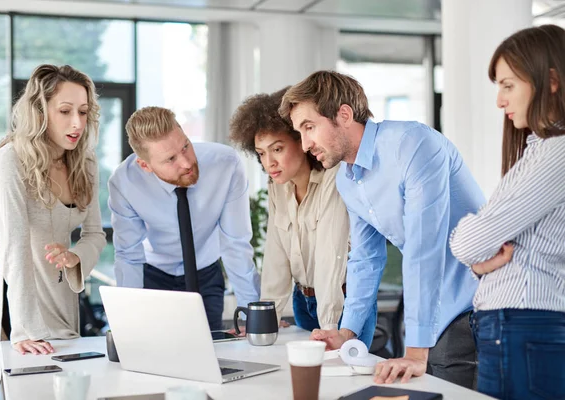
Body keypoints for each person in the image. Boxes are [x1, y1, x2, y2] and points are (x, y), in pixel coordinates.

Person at [279, 70, 484, 388]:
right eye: (299, 132)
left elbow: (423, 248)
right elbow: (365, 259)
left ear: (343, 115)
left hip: (474, 302)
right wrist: (346, 333)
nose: (305, 144)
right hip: (431, 310)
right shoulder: (347, 179)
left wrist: (415, 352)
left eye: (309, 127)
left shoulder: (412, 144)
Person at [450, 24, 565, 400]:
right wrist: (479, 257)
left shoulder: (555, 154)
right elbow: (480, 247)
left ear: (550, 81)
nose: (500, 101)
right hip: (520, 325)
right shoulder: (539, 151)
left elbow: (470, 242)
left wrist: (473, 243)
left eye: (508, 85)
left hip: (525, 323)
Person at [229, 88, 370, 336]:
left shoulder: (334, 179)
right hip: (303, 301)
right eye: (261, 153)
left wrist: (329, 326)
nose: (268, 162)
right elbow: (276, 256)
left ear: (302, 141)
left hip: (342, 303)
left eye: (278, 149)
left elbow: (331, 256)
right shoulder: (278, 188)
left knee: (340, 373)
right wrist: (264, 320)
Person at [0, 64, 107, 359]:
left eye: (82, 111)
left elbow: (94, 234)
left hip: (65, 303)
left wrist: (74, 257)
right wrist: (26, 330)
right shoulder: (11, 160)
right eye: (65, 111)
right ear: (40, 112)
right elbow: (14, 249)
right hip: (24, 312)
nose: (77, 123)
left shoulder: (86, 163)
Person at [108, 106, 260, 331]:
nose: (187, 163)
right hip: (153, 276)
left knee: (210, 353)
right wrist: (127, 324)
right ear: (145, 165)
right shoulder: (125, 183)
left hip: (206, 272)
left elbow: (235, 243)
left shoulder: (225, 164)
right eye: (170, 159)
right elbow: (129, 256)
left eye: (185, 146)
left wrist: (252, 315)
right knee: (151, 353)